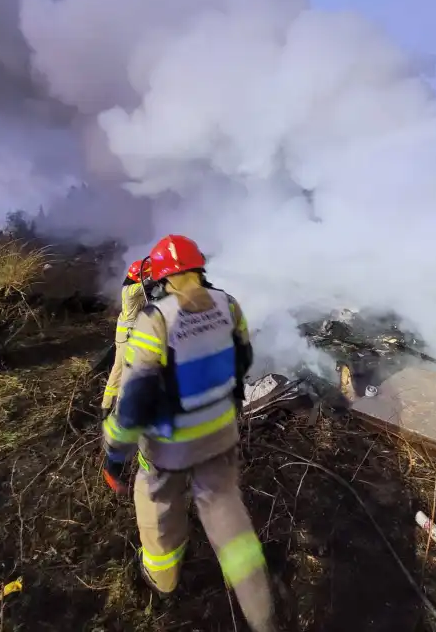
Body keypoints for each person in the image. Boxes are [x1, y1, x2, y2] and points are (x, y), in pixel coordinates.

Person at [102, 235, 276, 632]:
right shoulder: (228, 305)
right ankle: (262, 614)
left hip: (168, 449)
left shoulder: (155, 319)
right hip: (220, 436)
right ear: (200, 269)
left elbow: (134, 399)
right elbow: (243, 359)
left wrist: (115, 452)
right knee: (228, 516)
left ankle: (163, 580)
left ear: (161, 279)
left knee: (157, 505)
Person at [101, 257, 152, 418]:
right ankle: (114, 408)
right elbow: (153, 280)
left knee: (121, 368)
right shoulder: (131, 291)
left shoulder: (133, 288)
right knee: (124, 370)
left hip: (129, 333)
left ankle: (108, 405)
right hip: (127, 336)